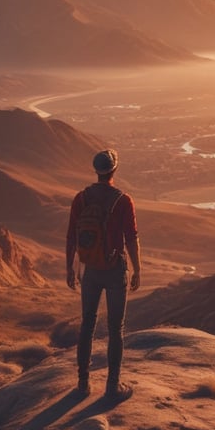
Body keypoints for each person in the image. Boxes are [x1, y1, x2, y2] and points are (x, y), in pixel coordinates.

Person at [66, 148, 141, 400]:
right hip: (114, 268)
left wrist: (70, 268)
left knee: (87, 324)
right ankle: (112, 386)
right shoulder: (123, 200)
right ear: (114, 170)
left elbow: (71, 237)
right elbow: (131, 238)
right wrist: (138, 269)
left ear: (96, 171)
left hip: (90, 269)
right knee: (115, 328)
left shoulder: (81, 199)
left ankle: (82, 383)